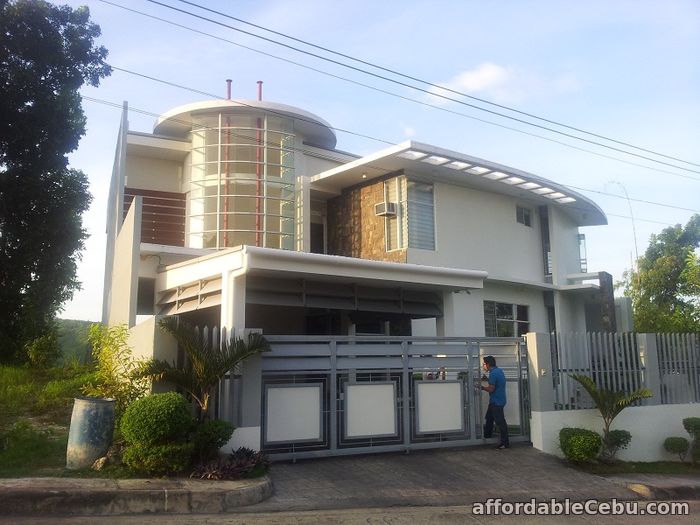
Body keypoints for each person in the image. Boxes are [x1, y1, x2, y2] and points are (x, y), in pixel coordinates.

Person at [481, 355, 509, 449]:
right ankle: (486, 437)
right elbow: (497, 383)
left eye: (484, 364)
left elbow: (491, 389)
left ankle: (504, 443)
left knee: (500, 422)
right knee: (489, 419)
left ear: (488, 364)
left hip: (496, 402)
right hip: (498, 400)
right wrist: (488, 380)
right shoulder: (499, 371)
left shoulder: (493, 374)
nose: (483, 366)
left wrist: (481, 387)